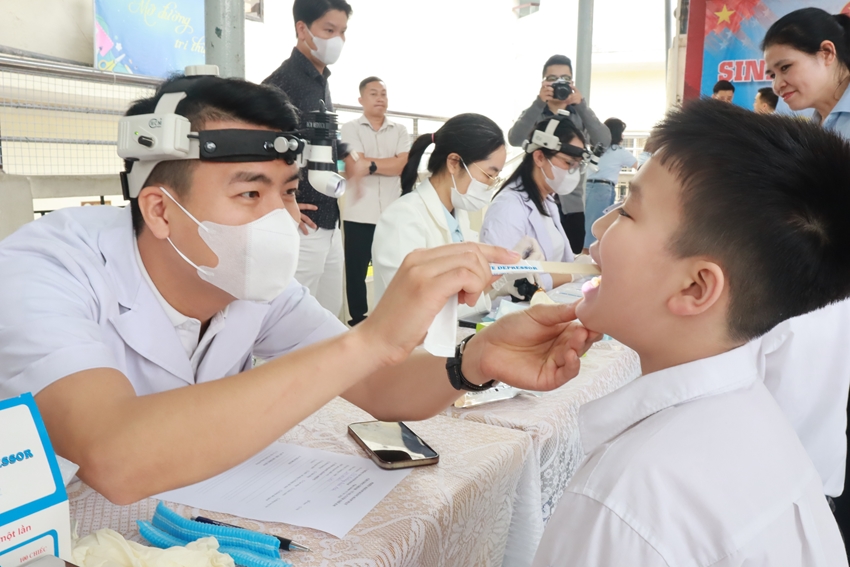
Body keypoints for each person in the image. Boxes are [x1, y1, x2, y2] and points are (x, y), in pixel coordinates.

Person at [0, 74, 600, 506]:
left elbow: (377, 387)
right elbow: (115, 457)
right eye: (250, 193)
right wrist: (369, 339)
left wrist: (476, 358)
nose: (282, 219)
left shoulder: (249, 283)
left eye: (288, 192)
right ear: (160, 210)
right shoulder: (47, 269)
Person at [532, 98, 849, 566]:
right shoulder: (765, 429)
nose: (599, 224)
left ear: (696, 287)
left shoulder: (626, 502)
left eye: (627, 211)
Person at [763, 6, 850, 549]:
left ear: (827, 53)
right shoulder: (818, 126)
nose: (778, 83)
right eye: (771, 73)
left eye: (785, 67)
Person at [262, 0, 350, 317]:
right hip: (302, 224)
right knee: (291, 319)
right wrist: (284, 205)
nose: (338, 39)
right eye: (329, 30)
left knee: (329, 316)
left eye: (343, 31)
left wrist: (347, 155)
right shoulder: (280, 85)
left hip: (328, 219)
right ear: (303, 29)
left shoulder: (320, 82)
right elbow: (262, 155)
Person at [372, 114, 506, 316]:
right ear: (454, 162)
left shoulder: (459, 214)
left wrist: (504, 275)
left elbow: (464, 296)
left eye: (496, 177)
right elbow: (411, 306)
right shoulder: (403, 218)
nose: (490, 185)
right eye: (489, 175)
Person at [508, 55, 611, 255]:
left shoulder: (580, 114)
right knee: (536, 255)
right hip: (536, 199)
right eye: (552, 79)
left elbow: (604, 141)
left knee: (571, 254)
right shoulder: (535, 112)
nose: (559, 83)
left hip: (571, 203)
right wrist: (539, 103)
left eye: (565, 79)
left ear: (572, 83)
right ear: (543, 83)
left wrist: (581, 105)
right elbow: (515, 138)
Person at [480, 115, 586, 292]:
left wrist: (577, 264)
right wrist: (574, 273)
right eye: (569, 163)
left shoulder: (547, 200)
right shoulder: (508, 208)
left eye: (578, 165)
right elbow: (506, 283)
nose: (573, 172)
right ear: (539, 157)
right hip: (516, 305)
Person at [340, 77, 410, 326]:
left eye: (383, 93)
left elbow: (403, 165)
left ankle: (391, 317)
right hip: (359, 213)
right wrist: (387, 163)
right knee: (356, 273)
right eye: (373, 93)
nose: (380, 98)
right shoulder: (350, 128)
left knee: (393, 268)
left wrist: (369, 164)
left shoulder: (400, 130)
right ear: (361, 99)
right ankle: (358, 321)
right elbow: (354, 165)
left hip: (392, 213)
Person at [583, 118, 637, 250]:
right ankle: (588, 258)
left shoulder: (596, 149)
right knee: (596, 229)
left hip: (586, 187)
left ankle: (582, 255)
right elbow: (641, 167)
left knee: (585, 224)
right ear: (618, 134)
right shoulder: (618, 151)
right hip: (602, 189)